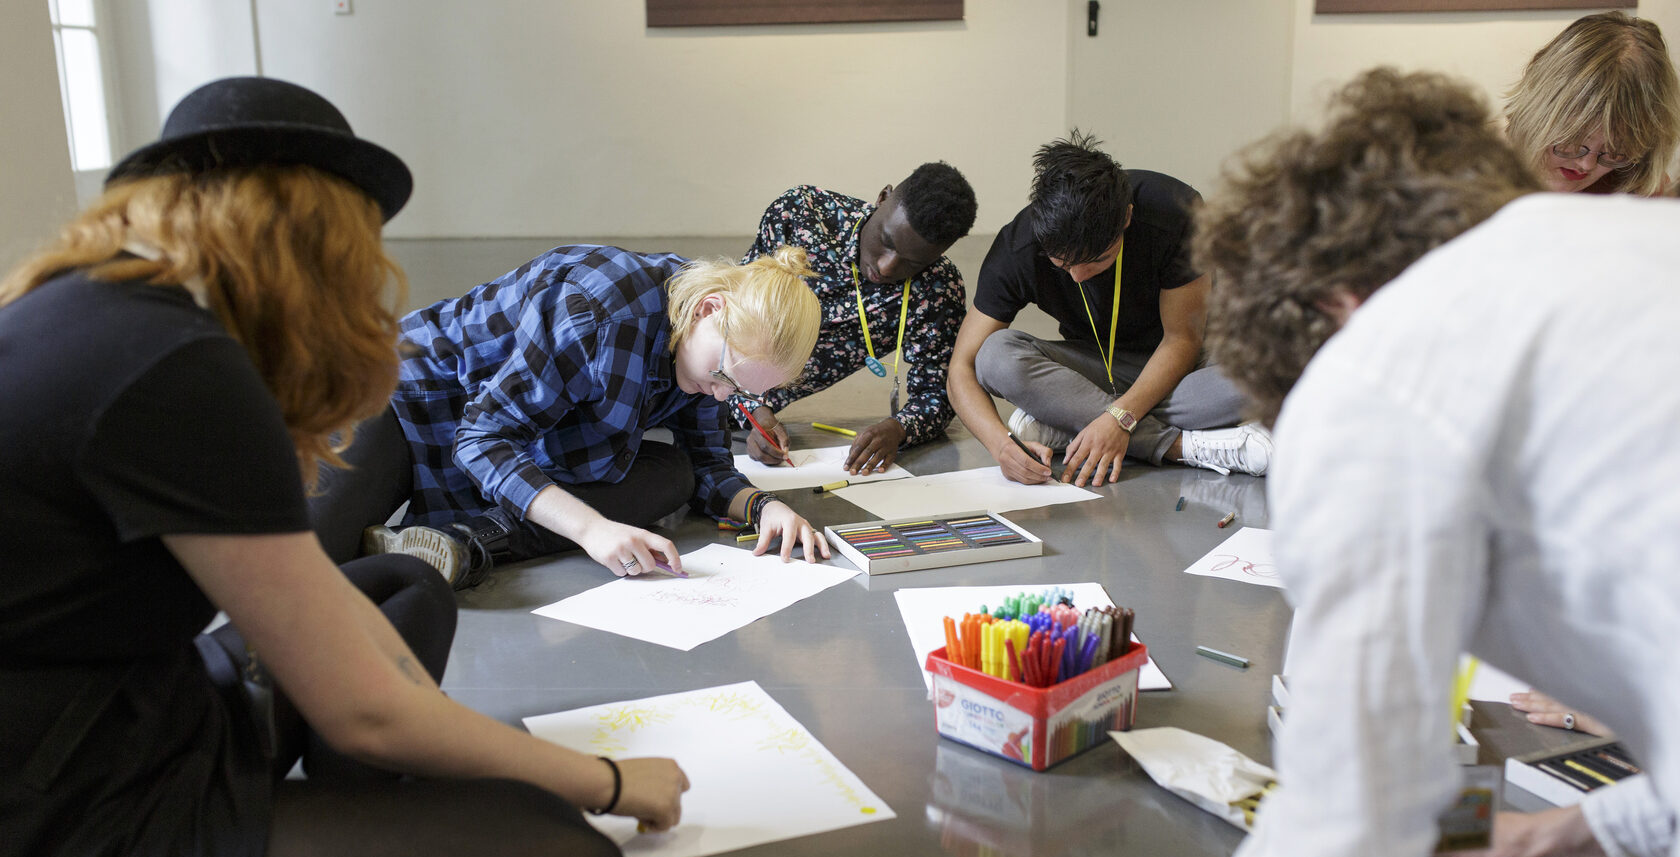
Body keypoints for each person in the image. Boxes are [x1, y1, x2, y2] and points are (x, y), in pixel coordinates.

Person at [0, 76, 688, 857]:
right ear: (314, 233)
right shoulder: (174, 368)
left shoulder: (109, 311)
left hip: (143, 708)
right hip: (66, 821)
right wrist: (609, 779)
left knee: (406, 584)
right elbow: (366, 710)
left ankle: (322, 841)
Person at [1187, 67, 1680, 857]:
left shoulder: (1378, 364)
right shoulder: (1636, 246)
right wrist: (1557, 834)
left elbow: (1350, 816)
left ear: (1334, 305)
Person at [311, 244, 833, 587]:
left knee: (674, 473)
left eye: (741, 392)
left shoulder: (711, 359)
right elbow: (481, 439)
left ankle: (460, 544)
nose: (722, 396)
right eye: (724, 377)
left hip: (526, 440)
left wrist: (764, 507)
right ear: (708, 309)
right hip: (407, 401)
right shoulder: (600, 308)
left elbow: (709, 465)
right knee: (313, 565)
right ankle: (455, 540)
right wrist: (592, 530)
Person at [945, 131, 1270, 489]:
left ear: (1127, 218)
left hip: (1185, 368)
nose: (1079, 276)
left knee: (1268, 371)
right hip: (1096, 368)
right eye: (1063, 263)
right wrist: (1000, 445)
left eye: (1098, 259)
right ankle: (1184, 447)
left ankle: (1068, 424)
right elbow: (961, 367)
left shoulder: (1175, 211)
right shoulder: (1019, 246)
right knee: (994, 356)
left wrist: (1119, 419)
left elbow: (1183, 339)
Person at [735, 162, 976, 475]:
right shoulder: (802, 216)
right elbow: (727, 323)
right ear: (882, 198)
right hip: (689, 372)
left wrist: (898, 428)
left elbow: (937, 392)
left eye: (912, 262)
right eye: (886, 241)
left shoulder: (936, 288)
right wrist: (753, 409)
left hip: (726, 421)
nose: (887, 267)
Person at [1504, 10, 1680, 195]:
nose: (1586, 165)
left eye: (1615, 150)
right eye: (1573, 140)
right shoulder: (1479, 168)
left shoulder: (1640, 191)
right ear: (1537, 113)